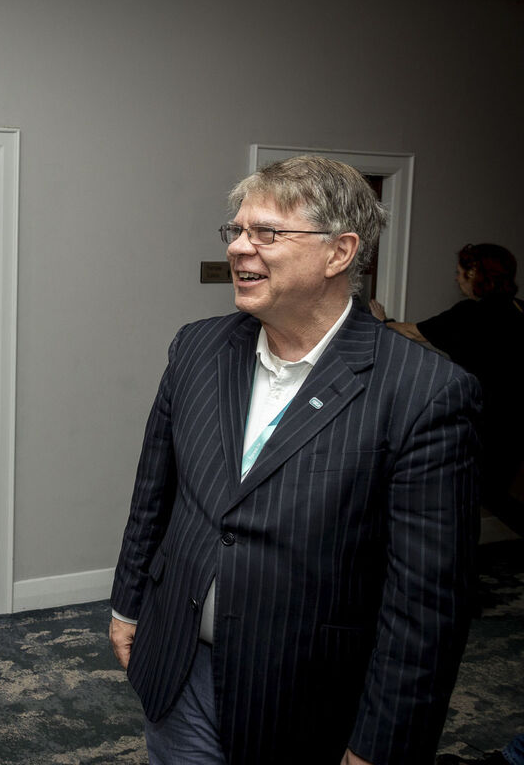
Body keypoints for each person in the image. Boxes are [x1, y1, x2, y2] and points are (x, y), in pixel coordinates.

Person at [108, 155, 481, 765]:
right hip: (182, 667)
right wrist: (128, 605)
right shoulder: (197, 347)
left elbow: (426, 604)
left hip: (307, 695)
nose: (239, 248)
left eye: (267, 233)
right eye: (236, 231)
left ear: (339, 253)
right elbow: (155, 489)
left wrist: (381, 745)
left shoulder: (424, 391)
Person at [370, 244, 524, 535]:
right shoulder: (519, 308)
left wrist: (383, 322)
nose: (457, 279)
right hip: (513, 422)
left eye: (460, 273)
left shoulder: (472, 313)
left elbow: (414, 332)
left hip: (482, 420)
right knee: (494, 491)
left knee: (475, 497)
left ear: (475, 273)